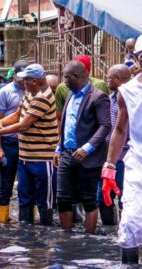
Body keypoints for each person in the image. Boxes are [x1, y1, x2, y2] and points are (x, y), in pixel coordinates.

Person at [0, 64, 57, 226]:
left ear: (37, 80)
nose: (23, 82)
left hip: (42, 158)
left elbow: (23, 125)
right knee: (24, 196)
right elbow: (17, 115)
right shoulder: (29, 93)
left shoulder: (43, 97)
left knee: (44, 200)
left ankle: (45, 235)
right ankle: (26, 234)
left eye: (27, 79)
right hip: (25, 156)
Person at [54, 61, 111, 234]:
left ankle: (89, 238)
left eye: (66, 77)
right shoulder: (70, 95)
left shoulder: (98, 96)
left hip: (88, 156)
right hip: (67, 153)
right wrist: (59, 147)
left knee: (88, 199)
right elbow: (67, 125)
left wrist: (87, 148)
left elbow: (105, 125)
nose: (64, 81)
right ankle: (66, 237)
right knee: (62, 198)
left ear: (77, 76)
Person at [102, 36, 142, 264]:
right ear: (136, 59)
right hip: (137, 163)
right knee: (131, 224)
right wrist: (109, 166)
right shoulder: (126, 91)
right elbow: (119, 130)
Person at [0, 60, 29, 223]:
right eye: (20, 77)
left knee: (27, 184)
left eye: (25, 78)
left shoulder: (32, 90)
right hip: (9, 143)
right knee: (6, 184)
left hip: (28, 143)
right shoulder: (5, 92)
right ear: (13, 75)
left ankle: (27, 219)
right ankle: (2, 220)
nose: (22, 81)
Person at [97, 64, 131, 226]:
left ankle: (127, 231)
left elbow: (123, 130)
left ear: (118, 80)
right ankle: (109, 231)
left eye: (109, 77)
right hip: (107, 157)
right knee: (103, 196)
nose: (106, 80)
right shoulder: (110, 98)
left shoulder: (131, 99)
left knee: (125, 197)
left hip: (124, 157)